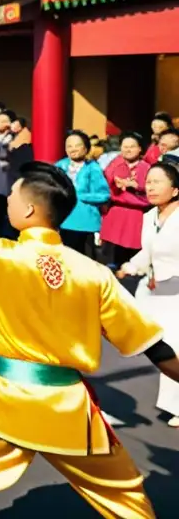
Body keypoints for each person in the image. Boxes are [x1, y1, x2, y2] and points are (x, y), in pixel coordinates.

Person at [0, 161, 179, 517]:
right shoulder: (94, 273)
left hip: (1, 403)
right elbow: (153, 346)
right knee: (125, 498)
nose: (7, 199)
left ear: (30, 209)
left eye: (13, 194)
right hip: (69, 408)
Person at [118, 161, 179, 429]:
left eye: (158, 182)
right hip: (155, 293)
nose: (150, 187)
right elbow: (148, 253)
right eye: (149, 181)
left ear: (175, 190)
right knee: (158, 346)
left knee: (175, 348)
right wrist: (131, 267)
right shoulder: (148, 217)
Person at [55, 130, 110, 258]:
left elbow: (104, 195)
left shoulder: (93, 168)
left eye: (77, 145)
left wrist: (80, 195)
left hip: (86, 223)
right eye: (69, 146)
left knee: (84, 261)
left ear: (86, 148)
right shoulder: (60, 166)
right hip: (63, 220)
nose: (73, 149)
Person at [102, 133, 151, 270]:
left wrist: (136, 187)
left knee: (131, 253)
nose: (128, 150)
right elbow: (104, 185)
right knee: (110, 253)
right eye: (124, 147)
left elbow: (151, 193)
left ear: (140, 149)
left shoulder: (146, 168)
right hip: (115, 211)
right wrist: (115, 183)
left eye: (132, 147)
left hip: (136, 214)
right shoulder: (114, 164)